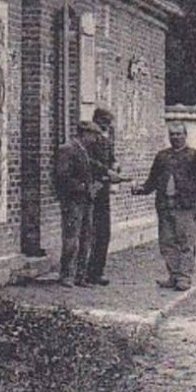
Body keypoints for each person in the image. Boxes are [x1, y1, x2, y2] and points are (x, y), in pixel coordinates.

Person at [134, 122, 196, 291]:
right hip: (164, 205)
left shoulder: (194, 156)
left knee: (185, 242)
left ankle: (184, 277)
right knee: (167, 242)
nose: (175, 137)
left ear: (185, 135)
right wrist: (141, 189)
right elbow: (152, 180)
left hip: (185, 206)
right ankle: (174, 275)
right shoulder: (162, 156)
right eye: (172, 134)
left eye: (178, 134)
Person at [52, 121, 100, 288]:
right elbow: (62, 177)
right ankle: (67, 275)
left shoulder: (83, 150)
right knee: (71, 238)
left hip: (85, 201)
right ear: (84, 133)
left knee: (86, 238)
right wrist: (85, 187)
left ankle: (80, 275)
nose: (95, 139)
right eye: (93, 135)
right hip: (72, 201)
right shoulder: (67, 149)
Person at [83, 107, 123, 286]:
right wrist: (105, 170)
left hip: (103, 190)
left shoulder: (106, 141)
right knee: (88, 232)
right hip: (90, 189)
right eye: (104, 122)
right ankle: (83, 272)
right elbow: (87, 162)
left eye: (108, 123)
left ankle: (97, 271)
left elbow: (112, 158)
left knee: (103, 232)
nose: (106, 127)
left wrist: (115, 165)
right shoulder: (88, 141)